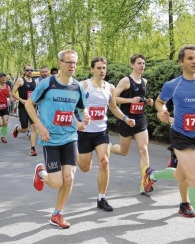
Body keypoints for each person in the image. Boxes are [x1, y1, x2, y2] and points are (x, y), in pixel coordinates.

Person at [144, 45, 195, 242]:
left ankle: (152, 174)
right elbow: (159, 102)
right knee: (194, 179)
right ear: (181, 62)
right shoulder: (173, 84)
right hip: (181, 136)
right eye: (190, 58)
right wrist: (162, 111)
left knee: (184, 176)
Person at [25, 49, 89, 229]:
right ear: (60, 63)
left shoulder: (78, 87)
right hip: (50, 139)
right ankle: (40, 172)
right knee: (55, 183)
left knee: (69, 178)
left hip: (70, 137)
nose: (72, 66)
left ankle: (57, 214)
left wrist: (82, 119)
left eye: (75, 63)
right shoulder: (47, 84)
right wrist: (39, 125)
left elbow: (80, 110)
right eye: (68, 62)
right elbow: (30, 104)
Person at [77, 56, 135, 212]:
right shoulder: (84, 85)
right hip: (84, 132)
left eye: (104, 68)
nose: (102, 71)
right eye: (99, 68)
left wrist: (125, 118)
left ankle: (101, 198)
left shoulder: (110, 88)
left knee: (104, 162)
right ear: (92, 69)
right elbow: (74, 106)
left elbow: (114, 108)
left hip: (101, 131)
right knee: (85, 167)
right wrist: (81, 117)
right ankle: (72, 153)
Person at [110, 54, 154, 194]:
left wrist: (146, 101)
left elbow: (139, 99)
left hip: (140, 120)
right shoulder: (126, 81)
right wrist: (130, 101)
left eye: (143, 63)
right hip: (125, 120)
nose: (142, 66)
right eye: (139, 63)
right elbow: (113, 99)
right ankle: (110, 148)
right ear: (132, 65)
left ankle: (144, 182)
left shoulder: (144, 81)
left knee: (144, 149)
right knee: (124, 152)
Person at [11, 65, 38, 156]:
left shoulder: (35, 81)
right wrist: (22, 100)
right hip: (23, 107)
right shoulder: (20, 80)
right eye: (28, 70)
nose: (30, 71)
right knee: (25, 128)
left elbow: (37, 94)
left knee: (34, 126)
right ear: (24, 71)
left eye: (31, 70)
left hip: (32, 107)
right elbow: (13, 93)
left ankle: (32, 149)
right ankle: (17, 129)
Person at [0, 72, 14, 143]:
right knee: (0, 124)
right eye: (1, 77)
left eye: (4, 77)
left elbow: (10, 94)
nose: (3, 78)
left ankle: (3, 137)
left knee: (5, 122)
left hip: (5, 107)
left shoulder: (7, 87)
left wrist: (11, 98)